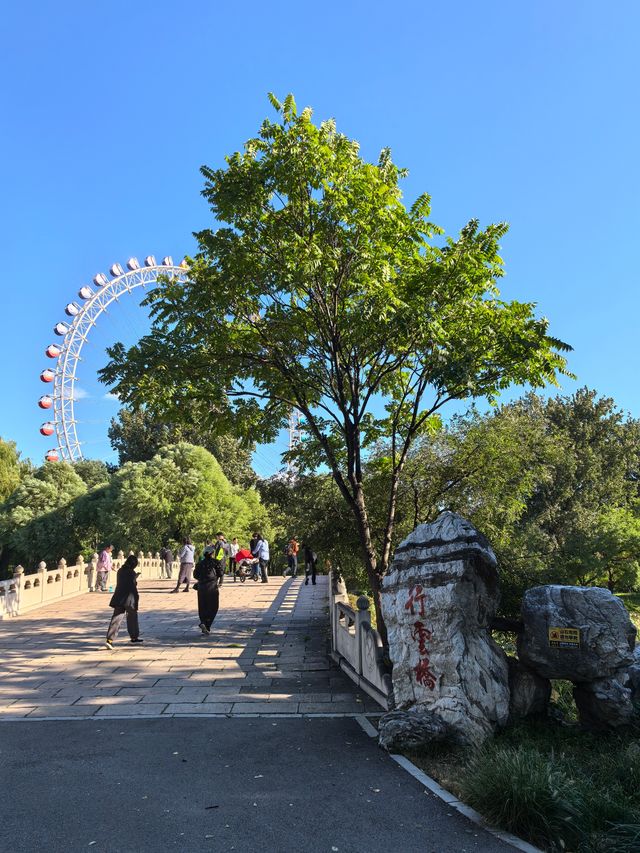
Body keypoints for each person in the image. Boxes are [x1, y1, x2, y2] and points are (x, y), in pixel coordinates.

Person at [104, 554, 143, 649]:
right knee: (132, 618)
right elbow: (132, 584)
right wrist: (135, 577)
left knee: (116, 619)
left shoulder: (120, 571)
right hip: (129, 599)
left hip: (119, 598)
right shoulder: (131, 573)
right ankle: (134, 637)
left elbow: (123, 582)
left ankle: (109, 640)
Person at [193, 548, 224, 635]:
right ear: (212, 554)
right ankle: (207, 625)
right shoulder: (215, 562)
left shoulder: (200, 563)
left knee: (202, 606)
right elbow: (221, 573)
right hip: (212, 587)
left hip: (201, 588)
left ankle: (203, 622)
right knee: (214, 606)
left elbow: (195, 575)